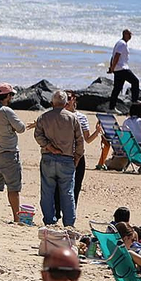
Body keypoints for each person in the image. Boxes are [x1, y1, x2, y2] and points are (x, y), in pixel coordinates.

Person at [34, 90, 83, 227]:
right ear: (66, 103)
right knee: (67, 192)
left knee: (47, 191)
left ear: (51, 103)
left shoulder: (44, 117)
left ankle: (49, 221)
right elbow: (80, 140)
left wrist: (49, 147)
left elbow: (38, 135)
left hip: (48, 157)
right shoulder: (72, 118)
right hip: (67, 158)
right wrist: (77, 157)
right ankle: (69, 223)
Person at [0, 82, 26, 222]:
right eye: (11, 95)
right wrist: (11, 129)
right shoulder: (6, 111)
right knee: (13, 188)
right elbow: (21, 128)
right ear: (6, 96)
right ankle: (16, 218)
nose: (12, 97)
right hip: (9, 153)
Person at [107, 28, 139, 110]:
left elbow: (113, 56)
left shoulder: (120, 43)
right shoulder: (122, 44)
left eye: (131, 34)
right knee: (135, 81)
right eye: (129, 34)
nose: (130, 36)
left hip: (118, 69)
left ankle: (111, 108)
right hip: (122, 68)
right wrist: (112, 68)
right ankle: (135, 102)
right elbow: (116, 56)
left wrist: (112, 68)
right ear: (125, 34)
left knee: (117, 88)